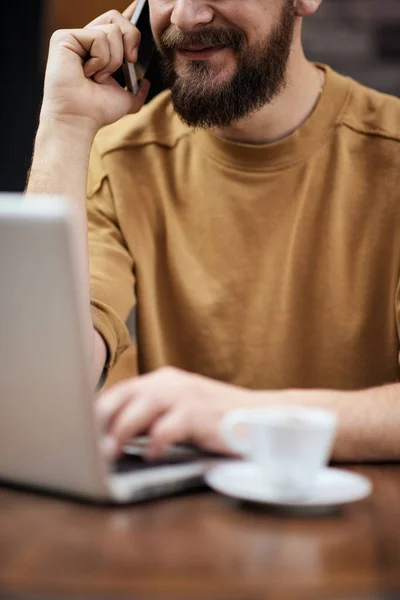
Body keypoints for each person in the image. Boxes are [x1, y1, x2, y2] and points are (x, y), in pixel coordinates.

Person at [27, 0, 400, 463]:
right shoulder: (119, 158)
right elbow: (39, 379)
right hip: (178, 525)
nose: (185, 16)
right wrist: (66, 124)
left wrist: (245, 418)